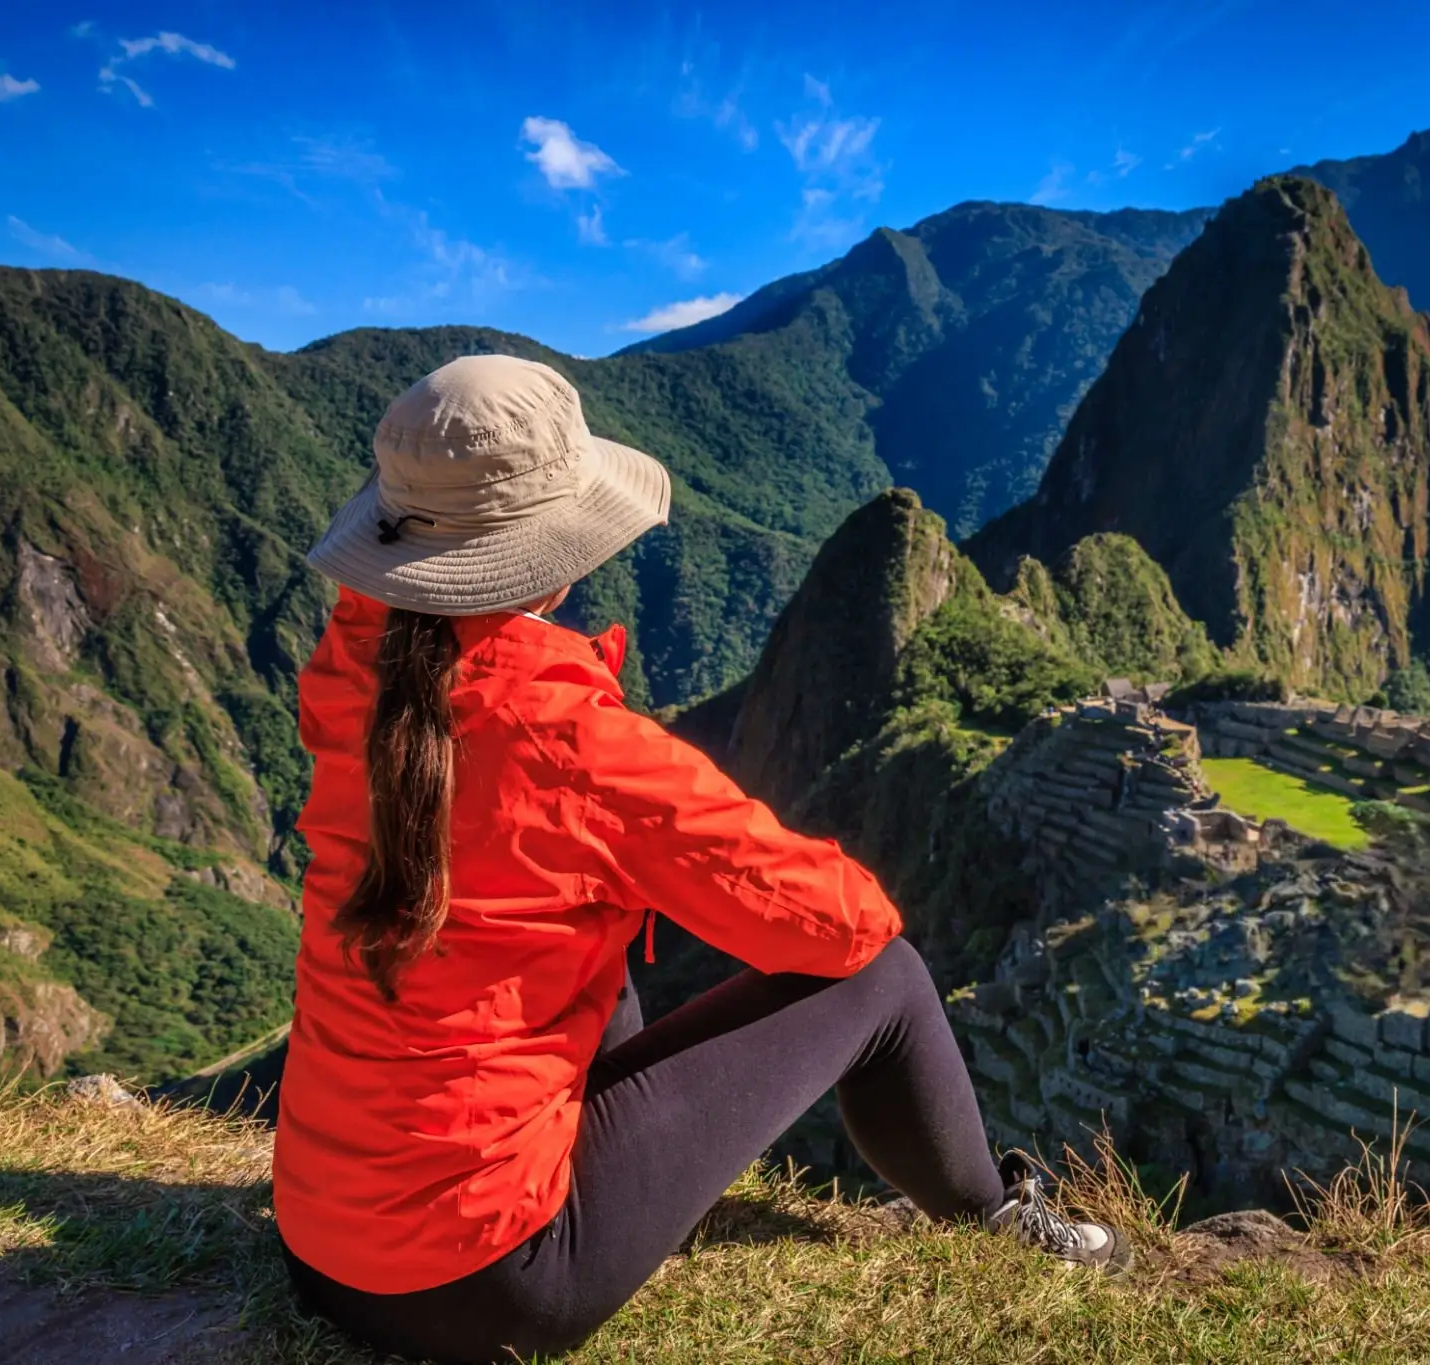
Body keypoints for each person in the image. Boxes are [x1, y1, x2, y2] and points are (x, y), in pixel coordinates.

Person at [275, 354, 1127, 1364]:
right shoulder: (569, 742)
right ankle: (994, 1213)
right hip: (490, 1290)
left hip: (321, 1249)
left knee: (594, 963)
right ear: (554, 550)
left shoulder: (352, 678)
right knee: (883, 979)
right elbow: (838, 923)